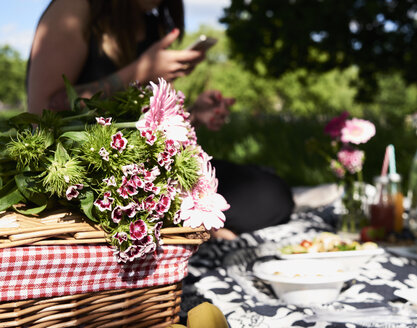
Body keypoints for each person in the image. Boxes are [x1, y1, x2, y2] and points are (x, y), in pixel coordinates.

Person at [27, 0, 294, 239]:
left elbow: (145, 120)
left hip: (149, 172)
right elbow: (43, 112)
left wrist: (192, 115)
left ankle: (189, 227)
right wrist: (140, 71)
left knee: (271, 195)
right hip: (84, 177)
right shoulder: (73, 9)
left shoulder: (152, 24)